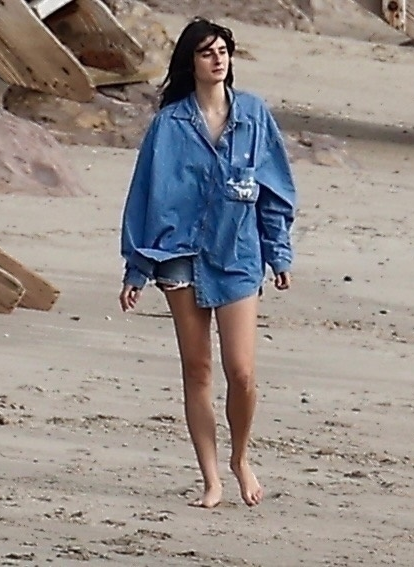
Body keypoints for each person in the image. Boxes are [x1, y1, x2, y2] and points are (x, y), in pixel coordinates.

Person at [118, 18, 297, 509]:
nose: (217, 59)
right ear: (190, 63)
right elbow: (144, 197)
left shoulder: (255, 116)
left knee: (241, 373)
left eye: (223, 51)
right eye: (206, 53)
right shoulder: (168, 125)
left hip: (238, 255)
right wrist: (136, 268)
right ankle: (212, 479)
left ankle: (241, 457)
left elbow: (276, 192)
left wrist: (277, 254)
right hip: (177, 256)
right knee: (197, 370)